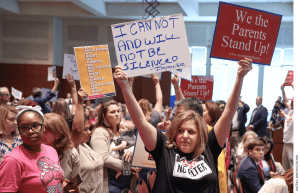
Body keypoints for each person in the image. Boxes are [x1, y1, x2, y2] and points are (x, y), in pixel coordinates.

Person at [114, 57, 253, 192]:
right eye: (180, 131)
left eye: (191, 132)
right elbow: (140, 121)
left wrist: (239, 78)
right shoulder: (164, 148)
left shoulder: (210, 146)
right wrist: (125, 87)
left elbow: (228, 114)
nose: (185, 135)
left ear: (200, 134)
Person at [0, 105, 69, 192]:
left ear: (43, 127)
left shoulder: (51, 151)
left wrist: (66, 188)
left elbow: (54, 183)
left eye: (35, 125)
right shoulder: (12, 160)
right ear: (19, 130)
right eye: (24, 127)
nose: (30, 131)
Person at [90, 100, 138, 193]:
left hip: (129, 180)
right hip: (110, 183)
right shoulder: (100, 132)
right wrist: (127, 166)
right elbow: (103, 158)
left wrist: (133, 148)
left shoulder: (124, 130)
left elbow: (137, 144)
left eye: (118, 111)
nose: (117, 114)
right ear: (104, 116)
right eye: (112, 112)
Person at [42, 113, 80, 181]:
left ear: (58, 135)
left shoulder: (71, 153)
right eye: (39, 130)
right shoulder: (34, 150)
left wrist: (71, 189)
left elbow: (76, 180)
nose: (40, 134)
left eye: (45, 132)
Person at [280, 84, 294, 171]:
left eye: (292, 102)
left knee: (292, 165)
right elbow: (285, 101)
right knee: (285, 165)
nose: (291, 103)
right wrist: (282, 89)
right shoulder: (290, 110)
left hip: (293, 144)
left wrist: (285, 116)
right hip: (286, 142)